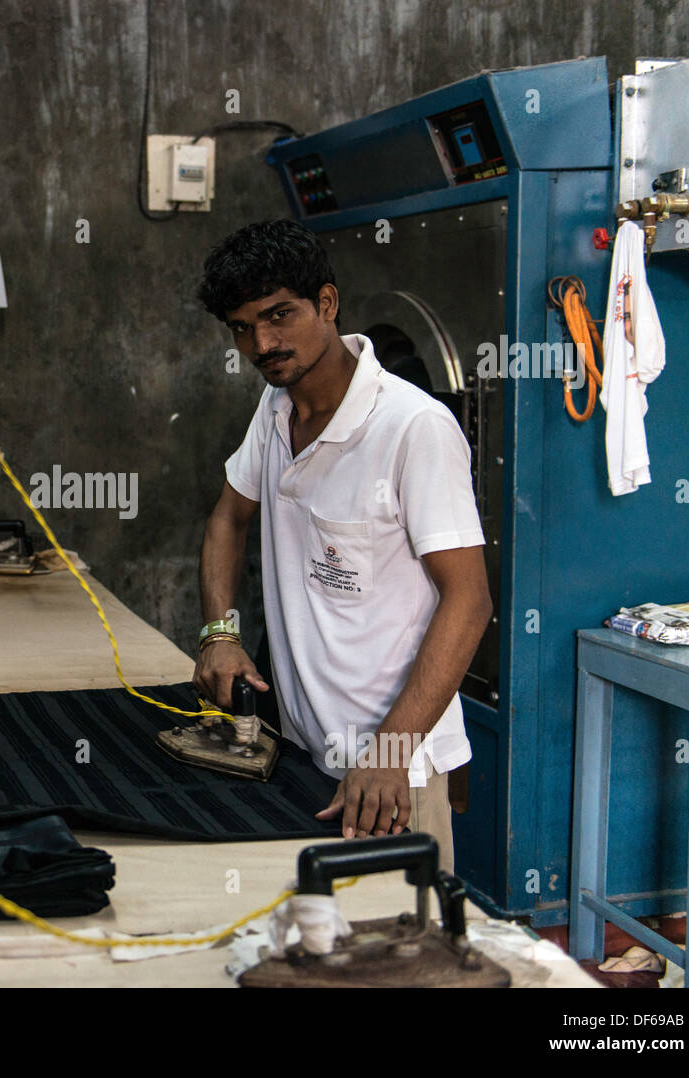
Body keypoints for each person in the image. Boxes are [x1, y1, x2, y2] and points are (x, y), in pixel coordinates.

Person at [192, 219, 491, 872]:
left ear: (326, 304)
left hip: (392, 771)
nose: (263, 343)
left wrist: (388, 753)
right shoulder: (276, 411)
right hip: (299, 750)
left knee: (399, 957)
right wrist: (220, 630)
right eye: (243, 328)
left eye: (279, 316)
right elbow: (226, 518)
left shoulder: (413, 429)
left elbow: (469, 601)